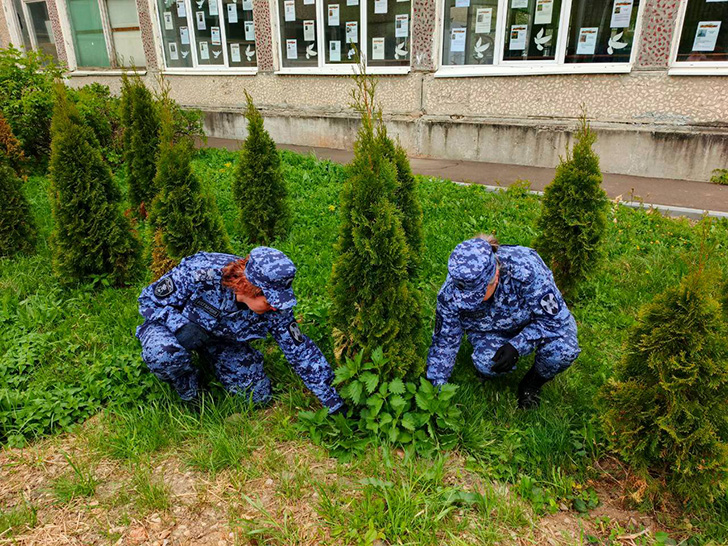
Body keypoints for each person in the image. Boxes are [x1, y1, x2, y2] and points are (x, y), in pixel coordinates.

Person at [136, 247, 344, 413]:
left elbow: (301, 352)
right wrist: (179, 325)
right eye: (269, 300)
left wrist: (332, 401)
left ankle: (209, 359)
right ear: (249, 287)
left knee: (256, 396)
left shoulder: (277, 307)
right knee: (164, 355)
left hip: (220, 340)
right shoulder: (201, 272)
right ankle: (189, 391)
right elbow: (148, 301)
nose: (275, 307)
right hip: (170, 326)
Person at [426, 236, 580, 408]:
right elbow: (444, 341)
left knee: (564, 350)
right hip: (490, 330)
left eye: (477, 295)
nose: (471, 302)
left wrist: (517, 345)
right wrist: (435, 391)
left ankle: (531, 384)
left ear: (496, 276)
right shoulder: (451, 292)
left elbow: (556, 321)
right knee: (487, 362)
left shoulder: (526, 269)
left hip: (535, 322)